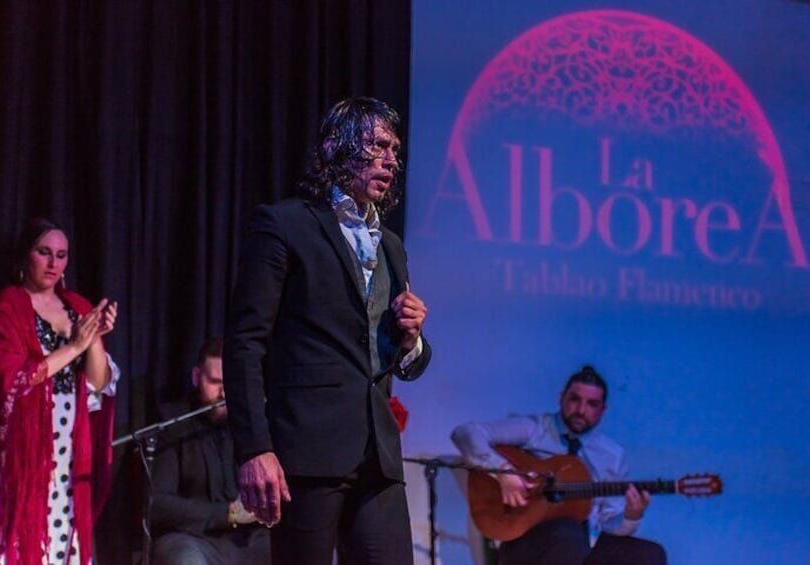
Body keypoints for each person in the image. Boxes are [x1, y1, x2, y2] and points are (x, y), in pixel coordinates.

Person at [223, 97, 432, 565]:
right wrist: (255, 449)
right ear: (337, 146)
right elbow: (245, 343)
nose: (390, 160)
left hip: (377, 454)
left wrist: (412, 338)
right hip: (307, 451)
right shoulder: (285, 224)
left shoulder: (392, 246)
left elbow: (400, 360)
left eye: (395, 150)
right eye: (378, 145)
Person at [0, 217, 120, 565]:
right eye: (45, 252)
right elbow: (11, 381)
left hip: (69, 443)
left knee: (63, 532)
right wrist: (73, 346)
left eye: (62, 255)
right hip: (23, 448)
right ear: (26, 256)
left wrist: (93, 337)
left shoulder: (77, 306)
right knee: (20, 537)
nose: (54, 264)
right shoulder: (7, 306)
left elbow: (98, 384)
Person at [451, 365, 667, 565]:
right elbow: (466, 433)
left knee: (650, 554)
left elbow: (608, 525)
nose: (581, 410)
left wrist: (631, 516)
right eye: (575, 399)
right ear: (561, 398)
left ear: (602, 410)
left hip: (585, 543)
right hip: (524, 540)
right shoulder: (535, 429)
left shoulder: (612, 456)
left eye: (591, 404)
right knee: (567, 534)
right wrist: (503, 472)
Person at [151, 337, 270, 565]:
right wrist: (227, 514)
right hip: (192, 539)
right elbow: (159, 504)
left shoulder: (256, 422)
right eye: (215, 382)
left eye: (231, 384)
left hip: (253, 540)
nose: (224, 394)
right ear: (197, 377)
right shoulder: (173, 423)